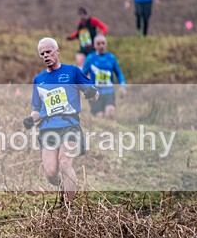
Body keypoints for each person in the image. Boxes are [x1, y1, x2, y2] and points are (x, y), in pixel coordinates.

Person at [23, 37, 98, 204]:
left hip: (69, 126)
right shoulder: (39, 80)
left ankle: (68, 208)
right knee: (50, 173)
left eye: (48, 52)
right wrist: (30, 119)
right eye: (42, 54)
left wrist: (92, 94)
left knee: (64, 162)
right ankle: (67, 186)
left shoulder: (72, 72)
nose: (45, 56)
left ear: (57, 51)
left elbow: (93, 92)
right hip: (48, 129)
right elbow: (37, 109)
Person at [82, 35, 127, 119]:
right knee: (100, 117)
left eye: (103, 43)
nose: (101, 46)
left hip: (109, 92)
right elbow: (82, 75)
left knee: (110, 113)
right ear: (94, 45)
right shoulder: (90, 58)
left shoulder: (111, 58)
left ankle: (112, 130)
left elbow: (119, 73)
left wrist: (123, 86)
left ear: (106, 44)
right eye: (98, 44)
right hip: (95, 93)